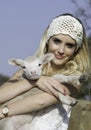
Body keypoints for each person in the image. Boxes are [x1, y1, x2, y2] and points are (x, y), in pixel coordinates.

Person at [0, 13, 90, 130]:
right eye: (57, 41)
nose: (61, 50)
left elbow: (40, 101)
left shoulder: (73, 79)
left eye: (69, 45)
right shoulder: (29, 70)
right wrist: (35, 81)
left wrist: (3, 112)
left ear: (76, 49)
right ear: (48, 40)